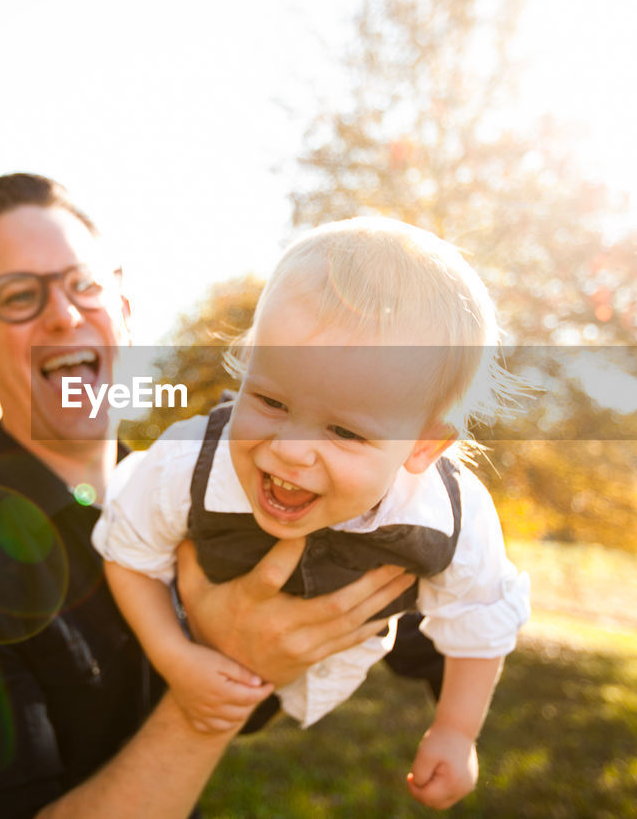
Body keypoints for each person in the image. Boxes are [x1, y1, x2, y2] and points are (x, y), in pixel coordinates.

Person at [0, 174, 426, 819]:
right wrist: (214, 690)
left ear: (123, 308)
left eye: (85, 284)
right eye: (18, 295)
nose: (65, 314)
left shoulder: (210, 492)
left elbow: (377, 584)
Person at [94, 217, 530, 810]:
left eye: (344, 431)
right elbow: (128, 553)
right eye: (270, 400)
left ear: (423, 447)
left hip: (305, 675)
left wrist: (455, 730)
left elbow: (480, 618)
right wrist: (178, 657)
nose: (291, 450)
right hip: (159, 657)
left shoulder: (450, 514)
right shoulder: (187, 462)